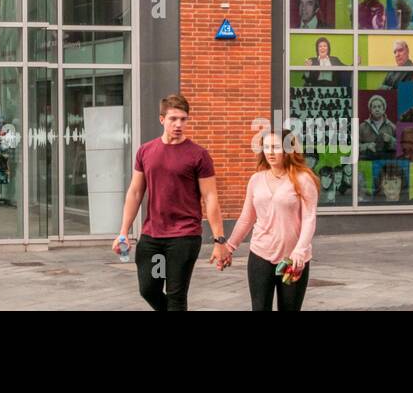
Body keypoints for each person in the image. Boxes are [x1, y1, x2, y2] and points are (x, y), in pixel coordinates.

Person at [114, 95, 224, 312]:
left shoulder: (198, 155)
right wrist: (123, 231)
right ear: (162, 119)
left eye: (183, 119)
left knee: (176, 295)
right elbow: (135, 192)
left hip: (184, 237)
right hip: (152, 236)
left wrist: (219, 240)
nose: (179, 125)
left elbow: (211, 197)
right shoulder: (146, 151)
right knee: (149, 289)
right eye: (173, 119)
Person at [223, 130, 318, 312]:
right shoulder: (256, 180)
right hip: (260, 254)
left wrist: (300, 250)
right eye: (266, 147)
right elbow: (247, 217)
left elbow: (309, 218)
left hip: (293, 259)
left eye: (275, 147)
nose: (270, 152)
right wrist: (229, 247)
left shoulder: (303, 179)